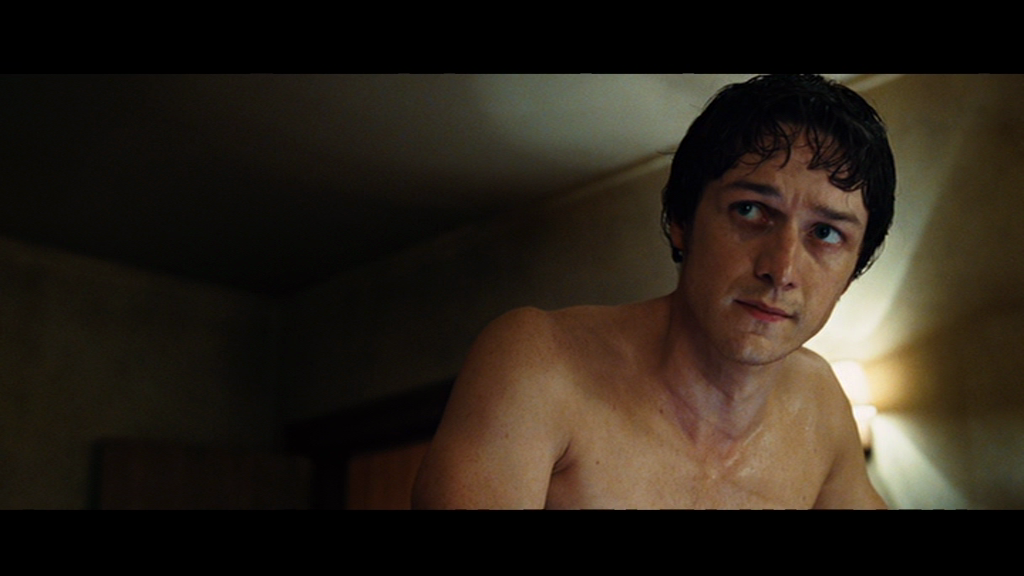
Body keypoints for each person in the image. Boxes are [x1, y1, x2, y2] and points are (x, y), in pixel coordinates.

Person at [412, 74, 895, 509]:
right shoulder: (538, 363)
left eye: (826, 233)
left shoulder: (819, 405)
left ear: (853, 271)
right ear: (682, 220)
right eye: (750, 210)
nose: (781, 268)